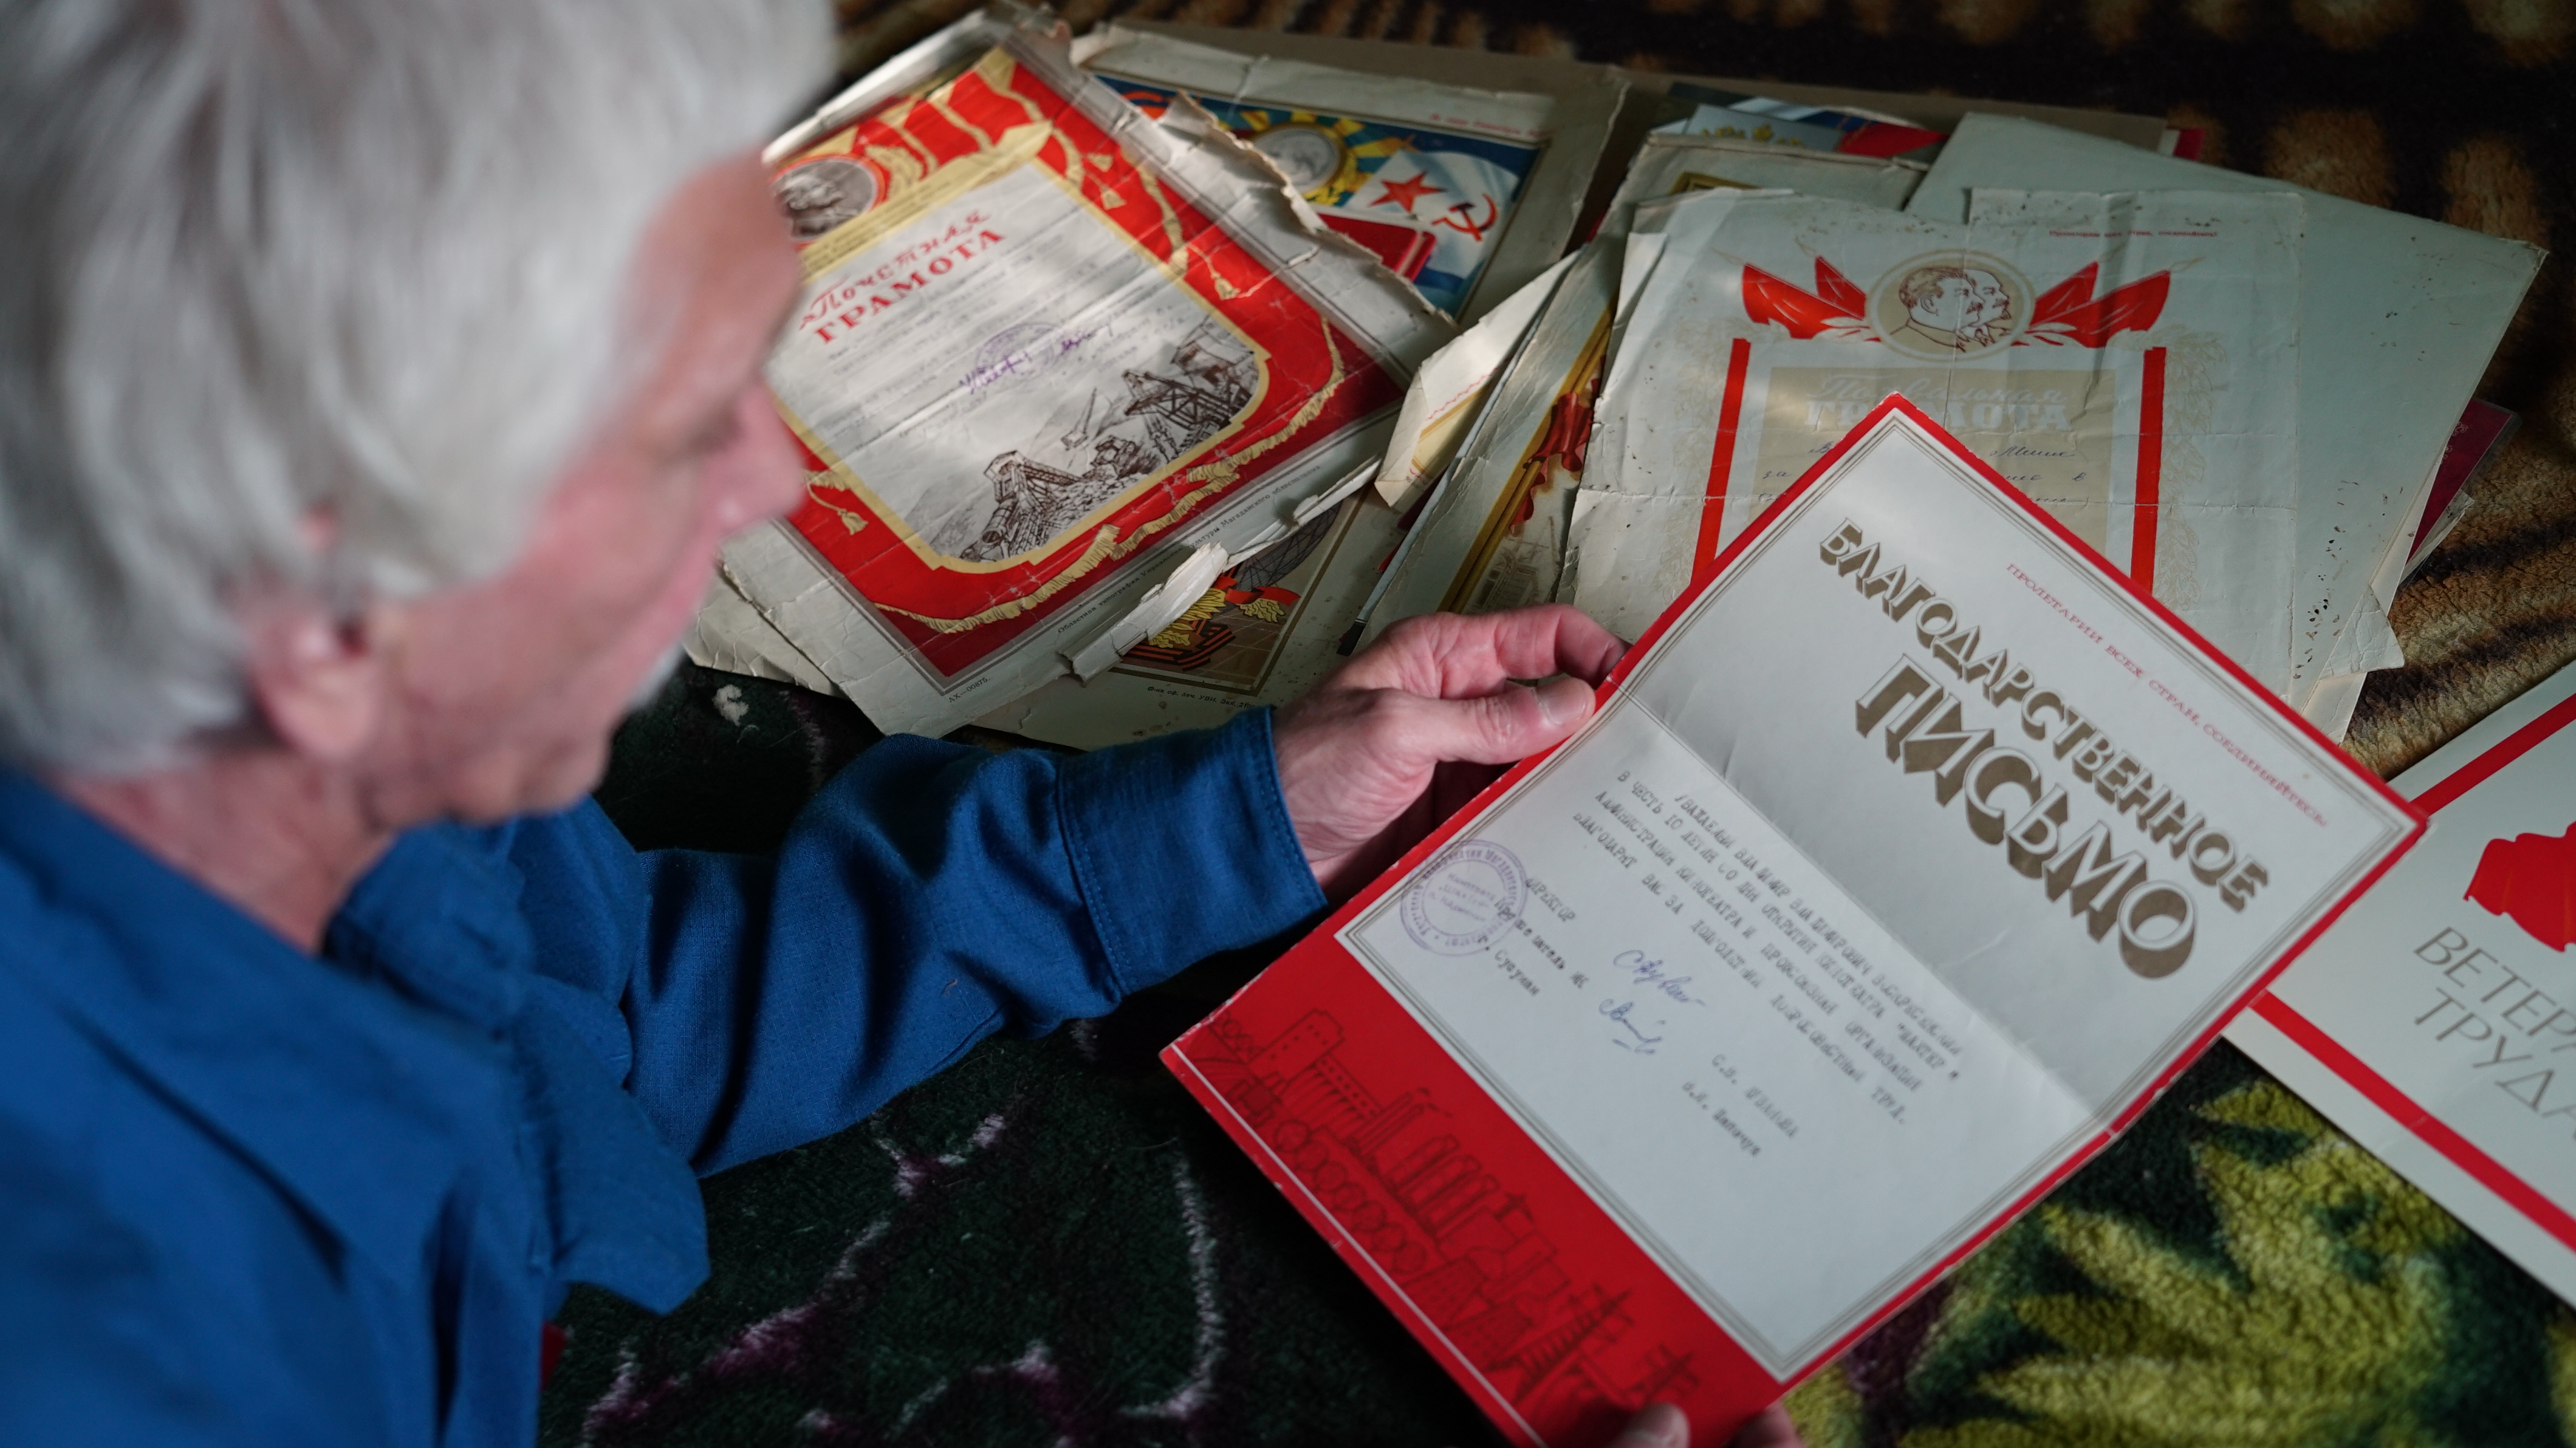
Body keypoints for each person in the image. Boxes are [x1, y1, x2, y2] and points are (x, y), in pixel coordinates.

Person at [0, 2, 1804, 1444]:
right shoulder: (149, 1357)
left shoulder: (327, 763)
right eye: (680, 427)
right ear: (328, 616)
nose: (771, 479)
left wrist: (1246, 819)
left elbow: (580, 1015)